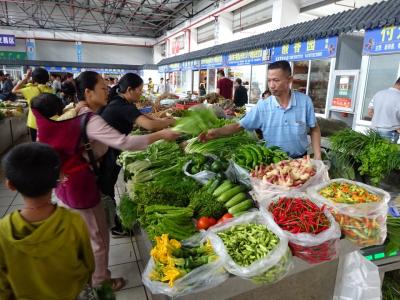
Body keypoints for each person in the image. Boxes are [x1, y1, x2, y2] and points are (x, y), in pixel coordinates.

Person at [31, 71, 180, 291]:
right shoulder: (90, 119)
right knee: (98, 240)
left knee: (89, 234)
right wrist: (161, 134)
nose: (108, 90)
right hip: (81, 185)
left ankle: (88, 274)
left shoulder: (73, 112)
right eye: (102, 87)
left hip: (67, 183)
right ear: (88, 92)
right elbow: (125, 142)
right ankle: (101, 283)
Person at [0, 142, 94, 299]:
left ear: (10, 185)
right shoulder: (73, 222)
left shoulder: (3, 232)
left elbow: (2, 288)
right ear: (58, 178)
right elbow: (88, 265)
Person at [100, 73, 176, 235]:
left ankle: (115, 223)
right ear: (129, 90)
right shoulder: (122, 106)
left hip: (109, 149)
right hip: (106, 153)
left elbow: (146, 117)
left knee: (108, 188)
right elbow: (149, 125)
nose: (142, 93)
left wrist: (166, 120)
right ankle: (116, 226)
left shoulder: (121, 102)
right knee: (106, 189)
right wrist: (167, 127)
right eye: (140, 90)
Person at [200, 60, 321, 160]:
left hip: (301, 160)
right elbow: (238, 126)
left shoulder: (305, 102)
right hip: (273, 162)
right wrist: (215, 132)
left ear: (289, 80)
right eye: (269, 80)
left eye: (276, 80)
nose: (272, 85)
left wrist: (318, 156)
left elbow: (314, 129)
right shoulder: (263, 106)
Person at [12, 68, 54, 141]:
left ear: (34, 78)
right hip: (47, 121)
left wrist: (26, 78)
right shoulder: (51, 90)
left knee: (35, 144)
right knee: (46, 142)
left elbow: (13, 90)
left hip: (33, 122)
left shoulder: (30, 89)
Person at [368, 77, 400, 143]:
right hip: (389, 133)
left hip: (374, 131)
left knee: (373, 152)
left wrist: (381, 121)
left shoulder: (378, 93)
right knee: (387, 153)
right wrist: (395, 126)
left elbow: (370, 112)